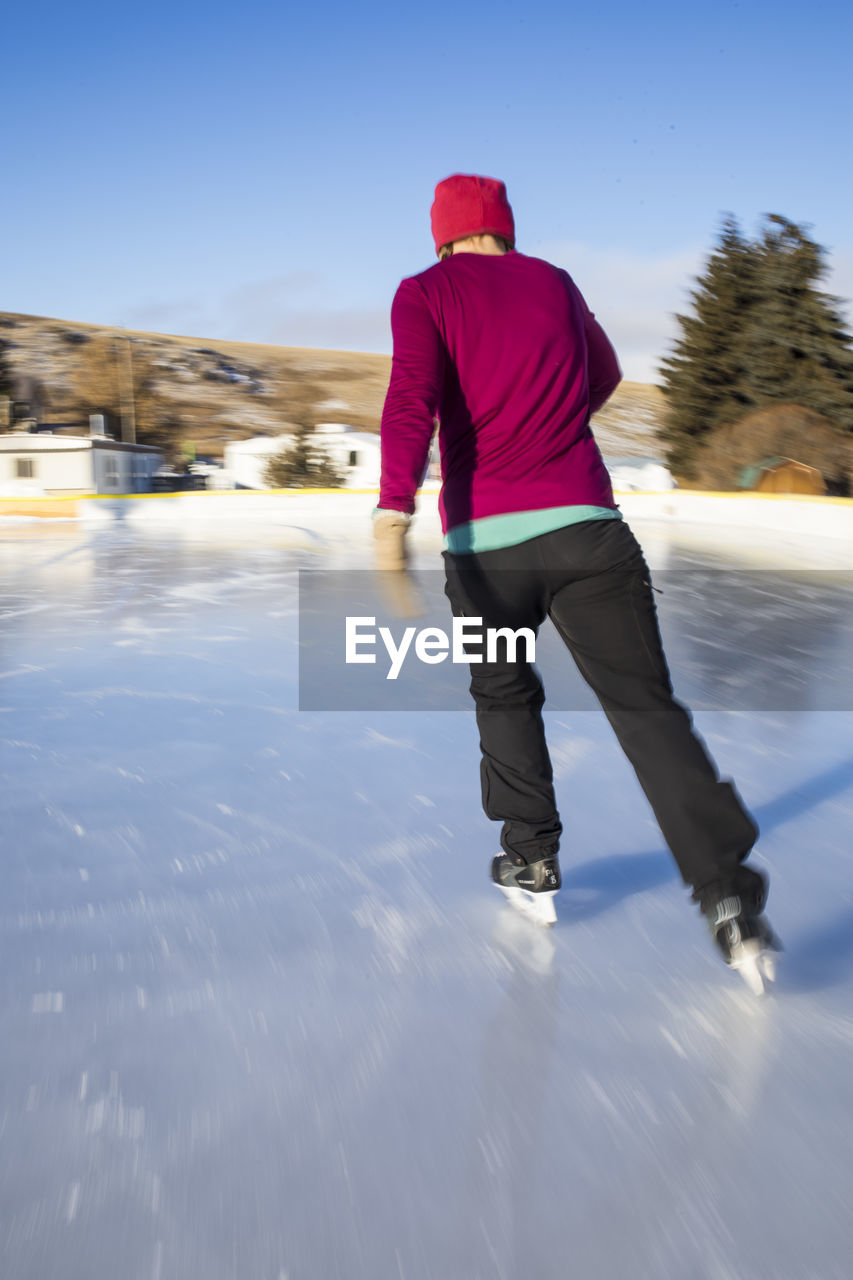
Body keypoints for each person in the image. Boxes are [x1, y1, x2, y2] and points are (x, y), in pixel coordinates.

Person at [374, 173, 779, 991]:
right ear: (504, 228)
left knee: (505, 697)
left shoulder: (423, 292)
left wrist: (391, 513)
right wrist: (550, 414)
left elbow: (411, 399)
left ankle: (531, 862)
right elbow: (605, 373)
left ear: (442, 233)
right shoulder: (554, 283)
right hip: (590, 533)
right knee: (644, 710)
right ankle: (729, 898)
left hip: (486, 547)